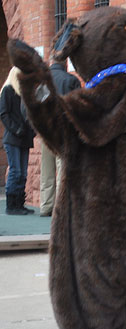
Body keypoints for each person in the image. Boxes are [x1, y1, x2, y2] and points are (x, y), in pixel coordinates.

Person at [39, 58, 81, 217]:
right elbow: (77, 107)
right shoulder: (71, 80)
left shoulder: (44, 82)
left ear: (51, 63)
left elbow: (36, 105)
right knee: (63, 168)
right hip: (65, 130)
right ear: (65, 64)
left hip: (47, 130)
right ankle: (61, 207)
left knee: (47, 169)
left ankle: (46, 205)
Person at [1, 66, 35, 215]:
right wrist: (16, 129)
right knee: (16, 171)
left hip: (25, 138)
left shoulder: (25, 93)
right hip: (13, 138)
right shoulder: (8, 90)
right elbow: (4, 114)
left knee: (23, 173)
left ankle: (20, 204)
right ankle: (11, 205)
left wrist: (32, 131)